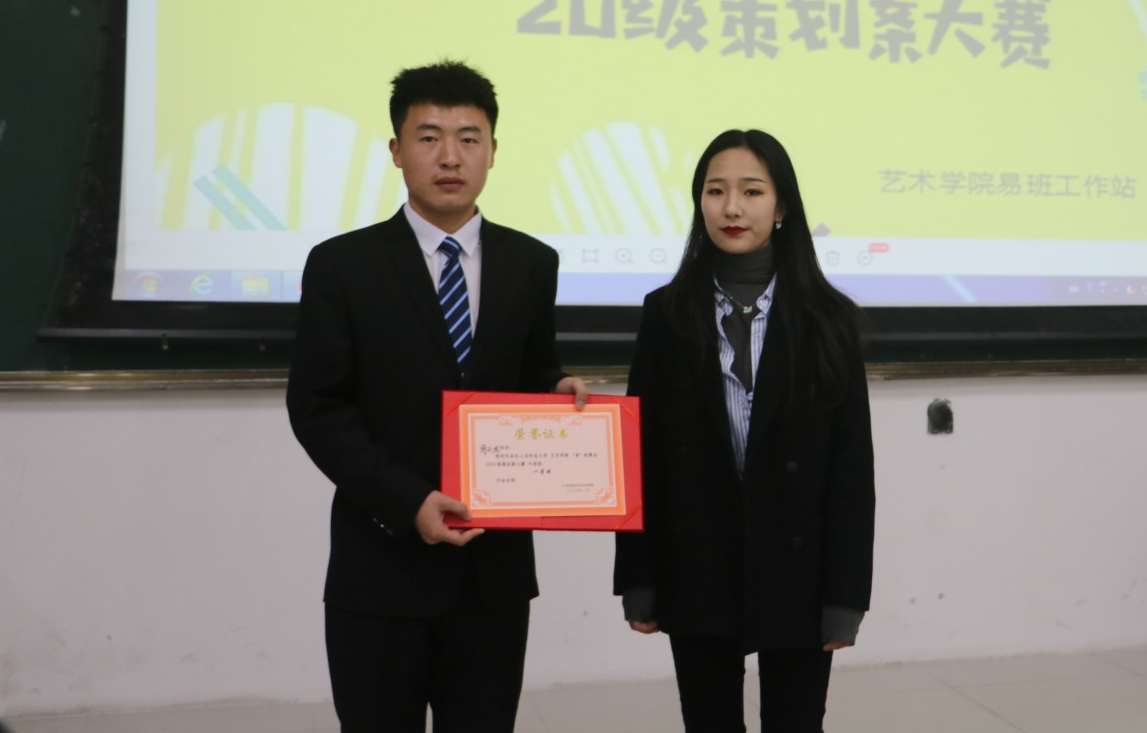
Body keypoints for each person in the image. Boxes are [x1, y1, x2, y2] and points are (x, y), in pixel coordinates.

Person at [287, 60, 587, 733]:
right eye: (429, 137)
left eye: (468, 138)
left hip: (493, 573)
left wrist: (556, 391)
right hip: (381, 566)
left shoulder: (532, 263)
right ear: (397, 150)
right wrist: (409, 501)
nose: (450, 156)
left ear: (493, 151)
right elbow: (318, 408)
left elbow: (531, 369)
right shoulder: (342, 265)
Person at [614, 129, 875, 733]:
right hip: (696, 563)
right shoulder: (666, 313)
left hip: (799, 570)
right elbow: (640, 456)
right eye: (715, 191)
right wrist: (639, 578)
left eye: (752, 191)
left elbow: (851, 471)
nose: (731, 207)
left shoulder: (829, 320)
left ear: (781, 207)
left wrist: (845, 596)